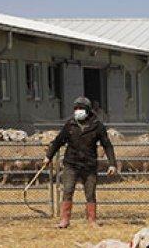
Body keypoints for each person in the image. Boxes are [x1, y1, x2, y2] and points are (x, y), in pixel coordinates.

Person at [44, 96, 118, 228]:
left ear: (88, 110)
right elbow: (58, 141)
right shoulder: (70, 125)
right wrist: (48, 156)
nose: (78, 111)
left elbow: (107, 145)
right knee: (68, 190)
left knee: (90, 193)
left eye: (81, 108)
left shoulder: (97, 125)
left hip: (89, 165)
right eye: (76, 108)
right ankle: (64, 220)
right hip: (71, 164)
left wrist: (112, 163)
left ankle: (91, 220)